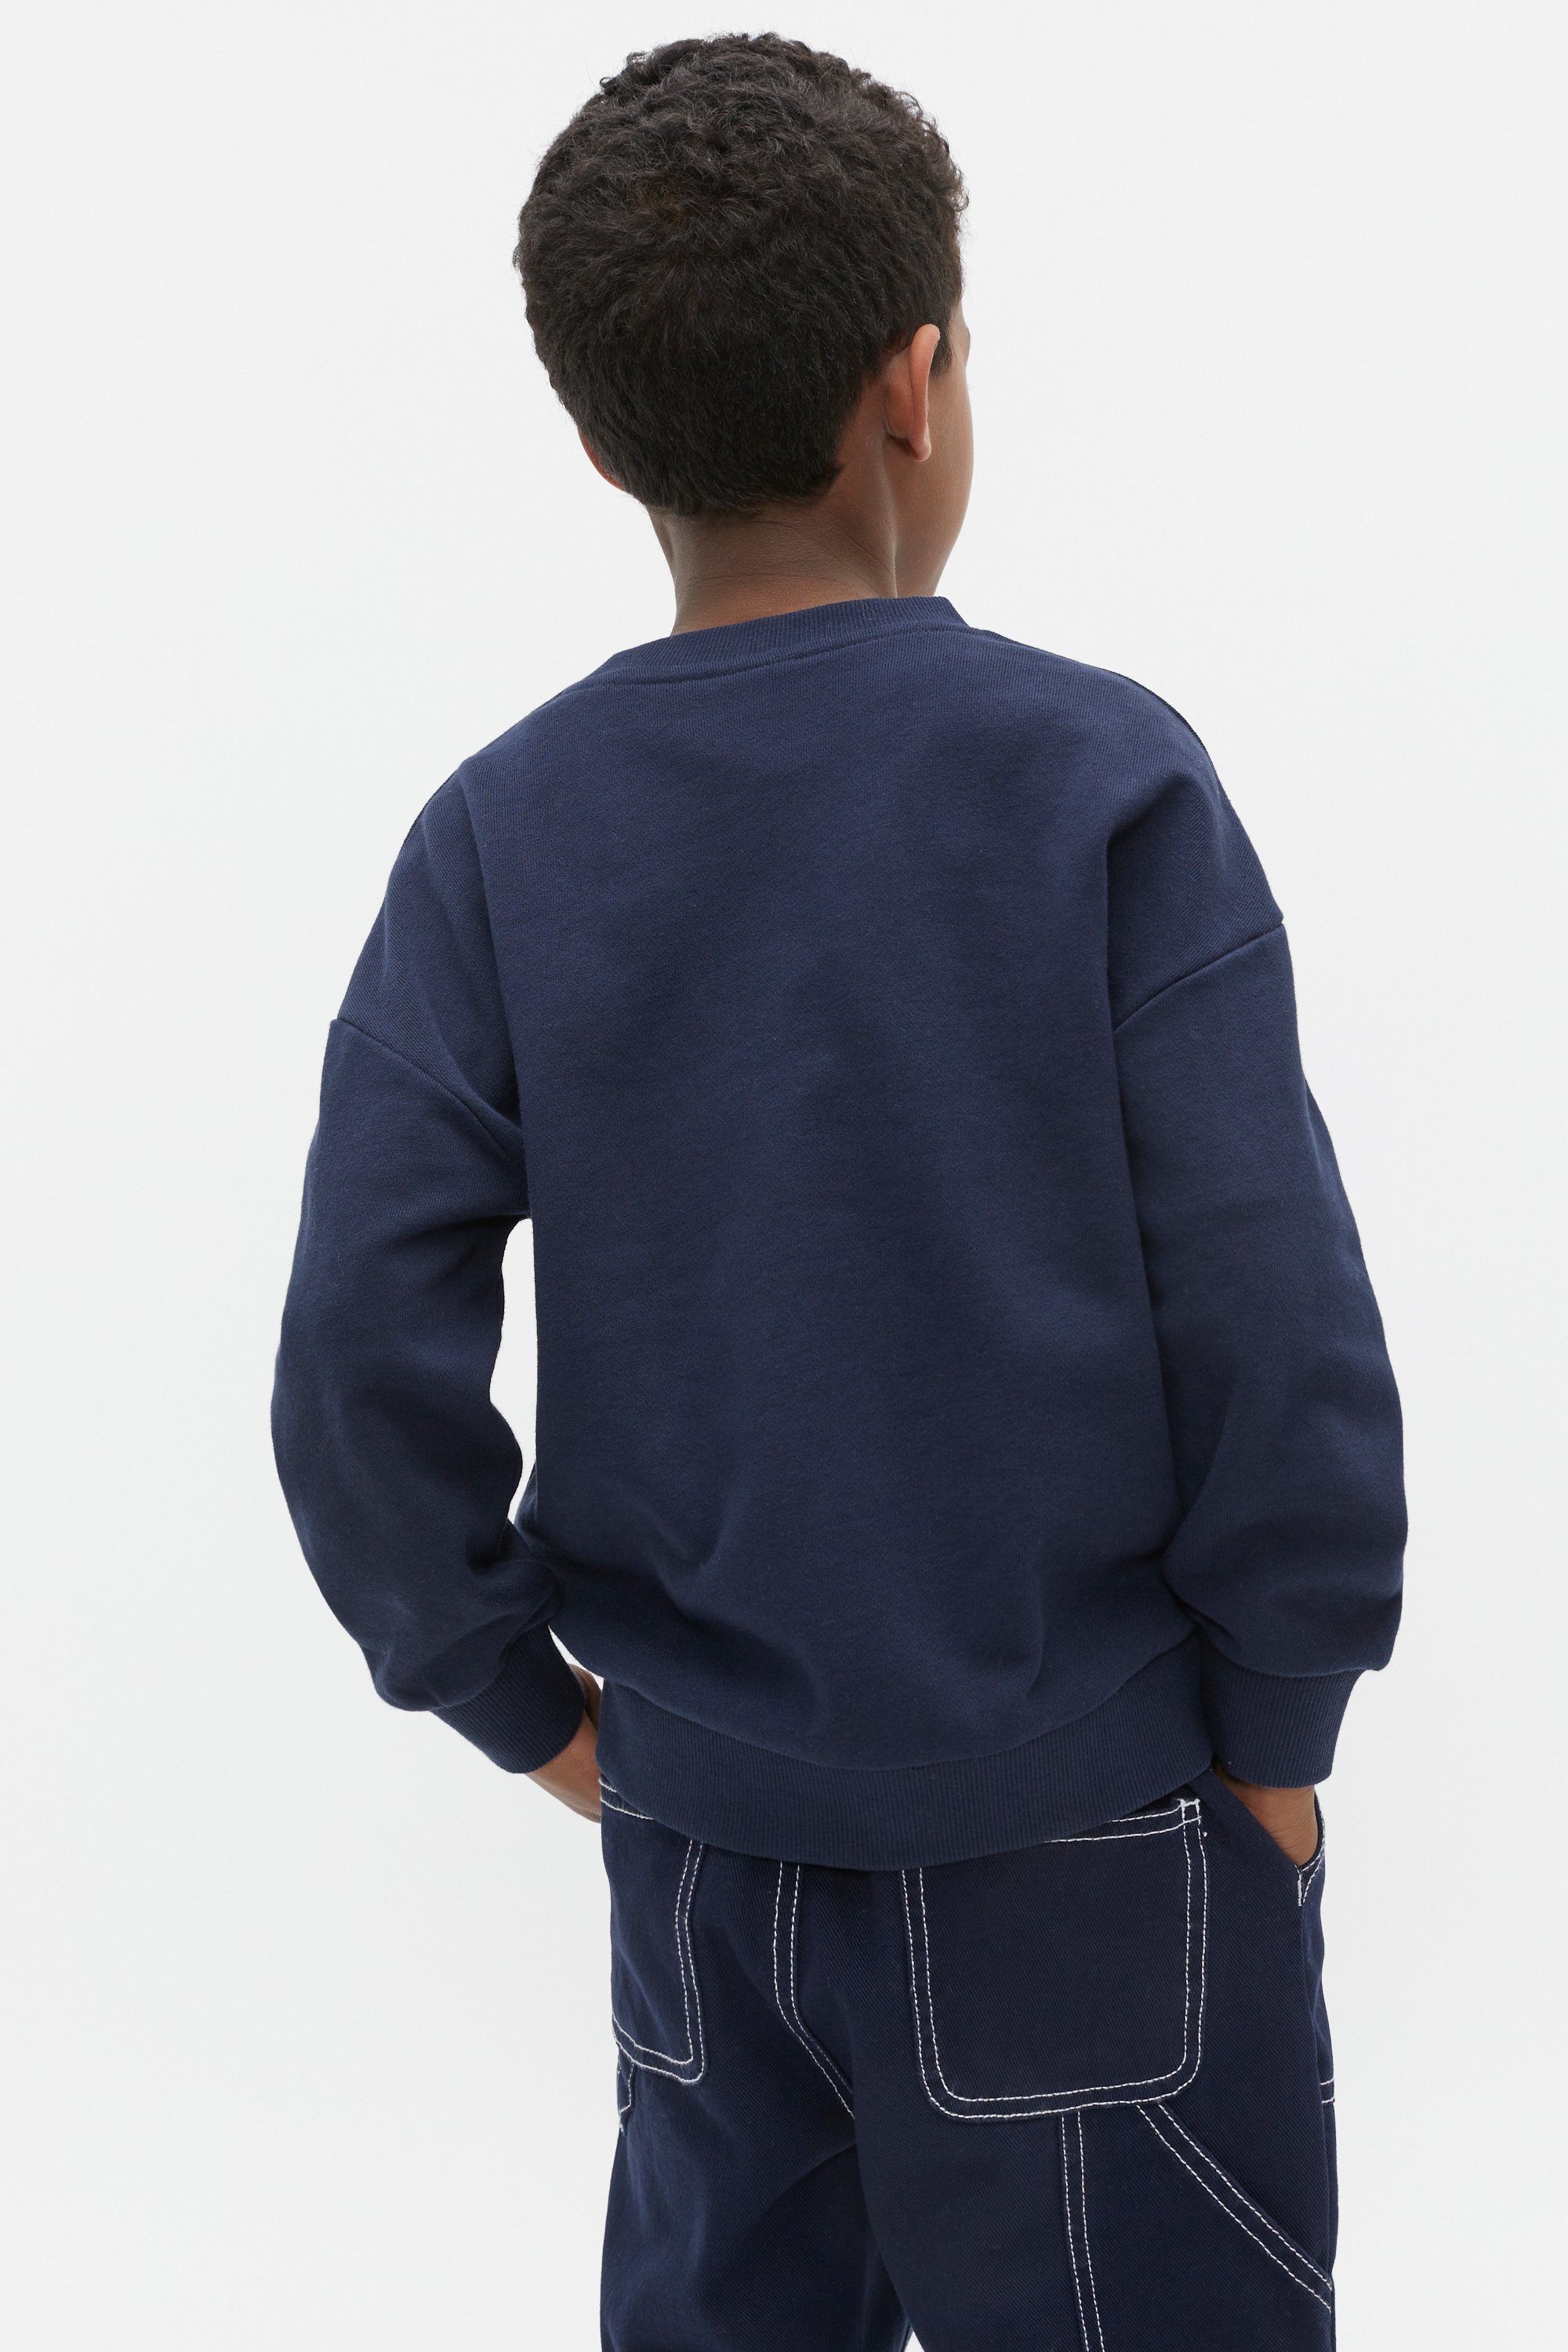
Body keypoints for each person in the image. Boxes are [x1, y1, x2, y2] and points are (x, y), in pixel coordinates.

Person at [273, 33, 1403, 2350]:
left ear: (602, 441)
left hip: (710, 1879)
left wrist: (537, 1717)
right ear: (919, 382)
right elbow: (1278, 1326)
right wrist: (1279, 1749)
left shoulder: (501, 838)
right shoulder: (1102, 782)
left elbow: (354, 1362)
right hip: (1103, 1856)